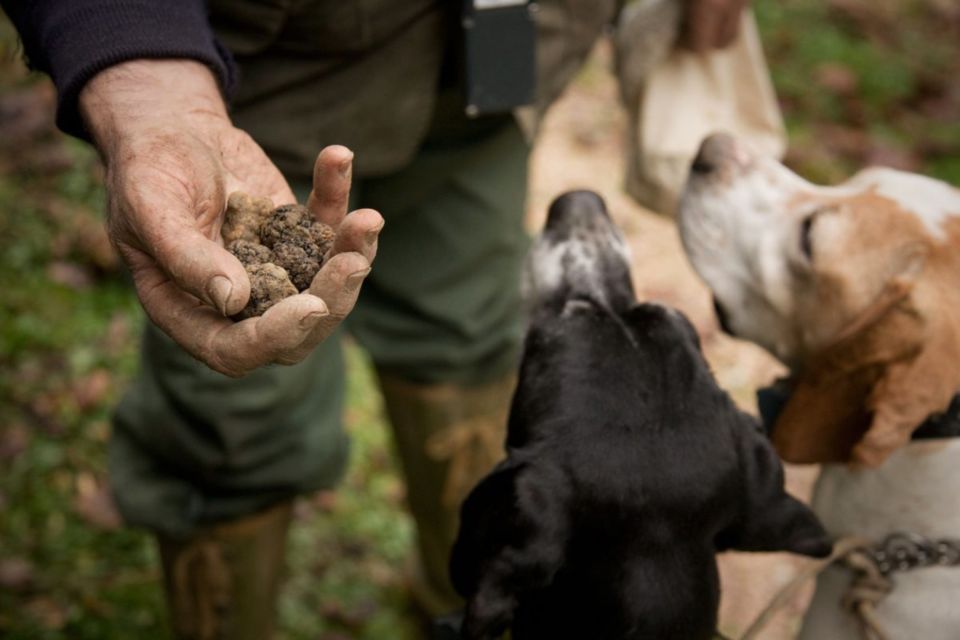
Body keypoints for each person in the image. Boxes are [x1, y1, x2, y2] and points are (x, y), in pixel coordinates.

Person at [1, 1, 746, 637]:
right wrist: (146, 80)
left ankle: (471, 604)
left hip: (495, 69)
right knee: (228, 420)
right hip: (251, 85)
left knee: (469, 339)